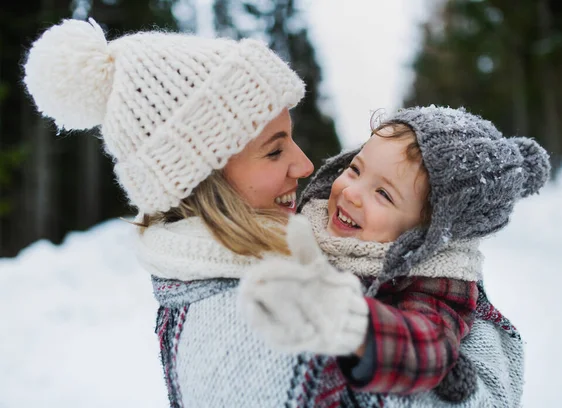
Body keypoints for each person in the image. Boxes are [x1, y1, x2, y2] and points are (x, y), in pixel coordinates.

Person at [23, 18, 536, 408]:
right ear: (201, 177)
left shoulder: (284, 254)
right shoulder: (248, 328)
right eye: (274, 150)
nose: (309, 166)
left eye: (385, 194)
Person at [239, 105, 550, 406]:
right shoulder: (309, 221)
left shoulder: (433, 278)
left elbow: (429, 346)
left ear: (427, 232)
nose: (350, 192)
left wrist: (353, 325)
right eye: (355, 170)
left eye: (383, 194)